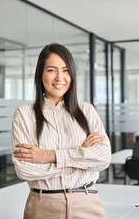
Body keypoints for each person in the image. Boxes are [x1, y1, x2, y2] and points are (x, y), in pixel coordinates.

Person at [11, 43, 111, 219]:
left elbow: (103, 158)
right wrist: (81, 157)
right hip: (43, 206)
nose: (59, 78)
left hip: (87, 203)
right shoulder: (24, 114)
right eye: (51, 70)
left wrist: (50, 156)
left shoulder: (87, 111)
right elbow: (24, 169)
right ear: (40, 74)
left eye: (65, 70)